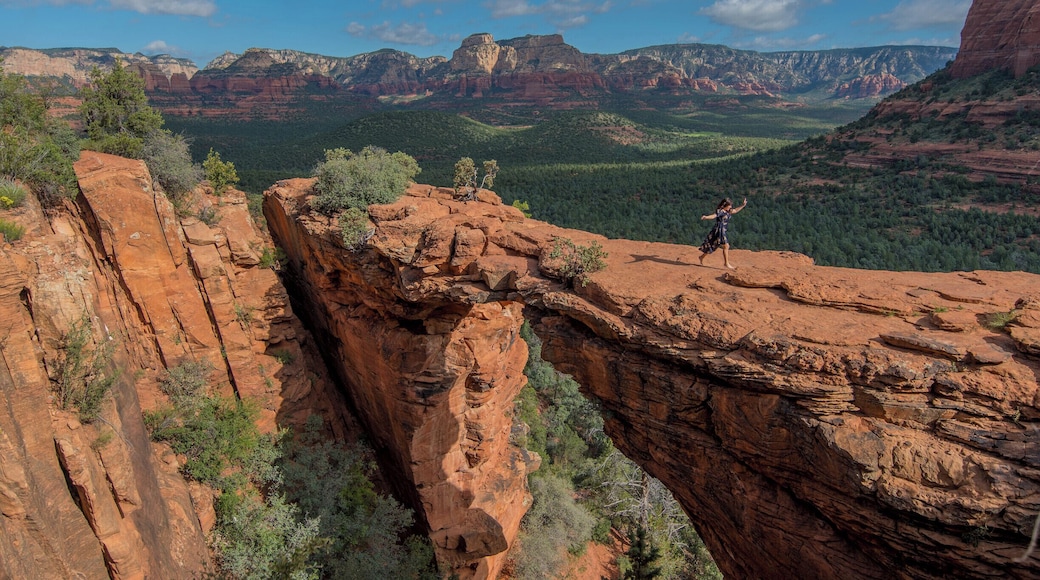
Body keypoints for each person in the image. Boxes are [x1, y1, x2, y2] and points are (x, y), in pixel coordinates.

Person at [697, 197, 747, 269]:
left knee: (713, 245)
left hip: (722, 230)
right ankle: (726, 263)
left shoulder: (728, 211)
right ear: (725, 205)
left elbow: (735, 210)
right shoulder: (721, 211)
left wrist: (743, 205)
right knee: (726, 246)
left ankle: (701, 257)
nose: (731, 207)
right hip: (719, 230)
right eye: (729, 205)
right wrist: (706, 217)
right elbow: (714, 216)